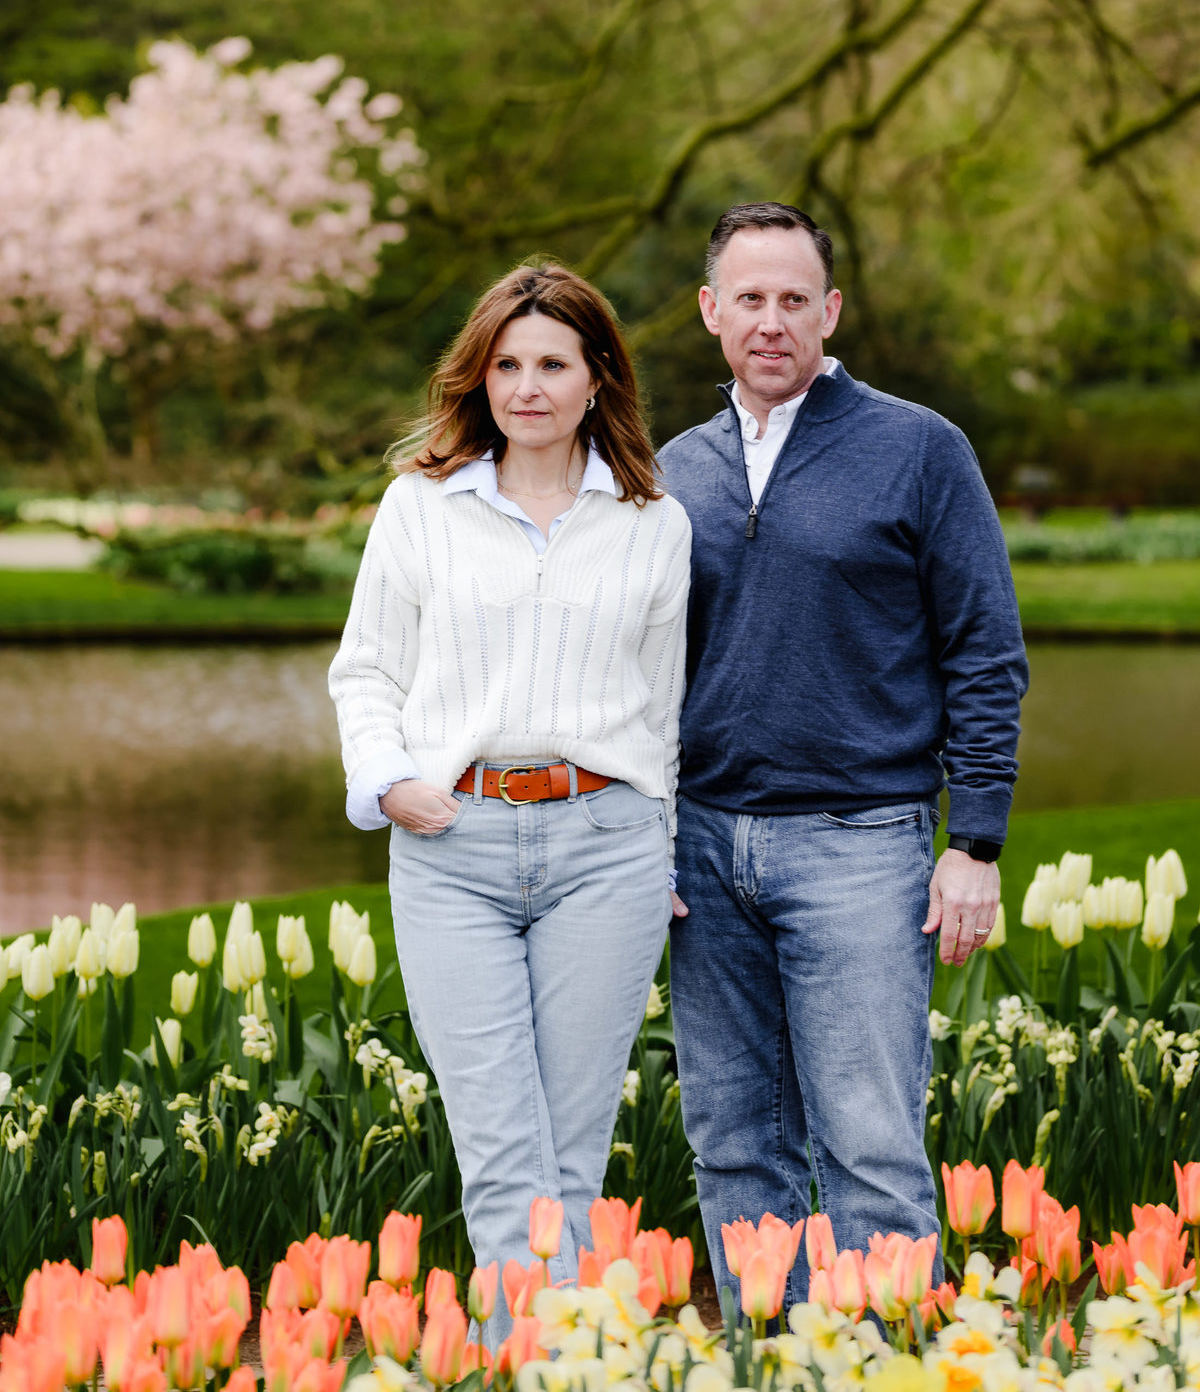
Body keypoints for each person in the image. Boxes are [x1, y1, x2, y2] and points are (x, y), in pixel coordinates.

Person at [659, 202, 1028, 1306]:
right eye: (749, 298)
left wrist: (977, 839)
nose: (771, 321)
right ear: (711, 311)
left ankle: (898, 1368)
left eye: (793, 298)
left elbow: (986, 650)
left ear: (831, 310)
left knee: (870, 1147)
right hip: (703, 848)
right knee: (732, 1141)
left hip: (861, 843)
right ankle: (768, 1365)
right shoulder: (672, 468)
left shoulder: (918, 448)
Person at [328, 262, 690, 1342]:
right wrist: (388, 780)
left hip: (606, 849)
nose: (526, 386)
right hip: (454, 848)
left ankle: (547, 1361)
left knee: (572, 1149)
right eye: (506, 364)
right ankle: (545, 1360)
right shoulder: (421, 507)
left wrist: (662, 852)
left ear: (597, 377)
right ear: (479, 378)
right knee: (497, 1145)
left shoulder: (652, 520)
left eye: (551, 363)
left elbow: (663, 707)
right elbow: (366, 674)